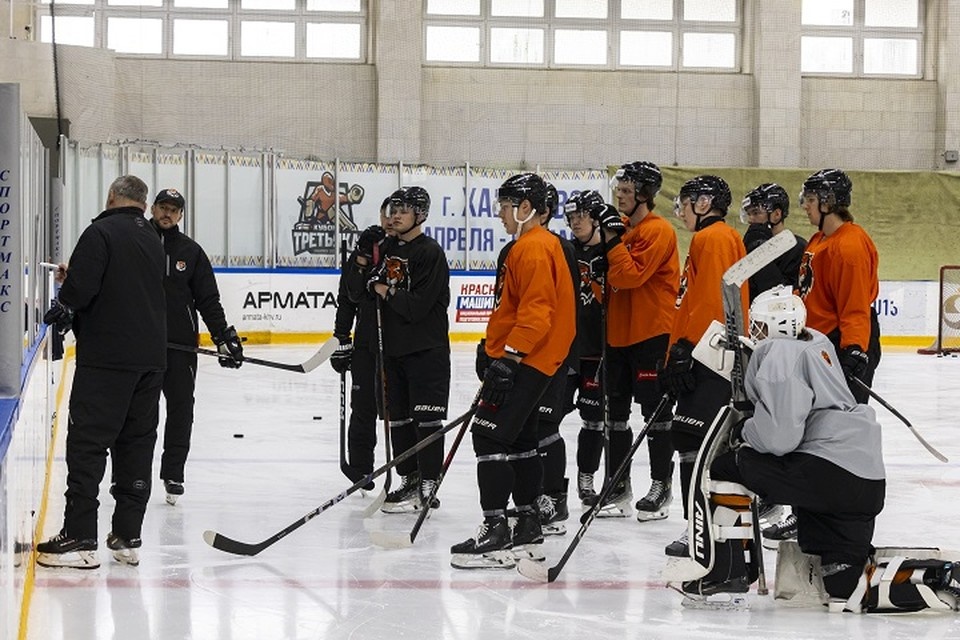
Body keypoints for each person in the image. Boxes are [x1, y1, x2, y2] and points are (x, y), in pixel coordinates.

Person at [685, 286, 888, 605]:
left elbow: (779, 439)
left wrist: (743, 430)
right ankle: (878, 583)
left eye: (759, 325)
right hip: (866, 480)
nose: (755, 332)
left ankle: (726, 569)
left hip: (828, 473)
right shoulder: (817, 341)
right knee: (844, 587)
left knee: (729, 465)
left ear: (776, 327)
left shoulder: (778, 354)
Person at [37, 175, 167, 569]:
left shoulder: (100, 232)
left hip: (108, 359)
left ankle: (79, 536)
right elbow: (121, 285)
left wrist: (66, 294)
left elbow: (81, 292)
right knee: (136, 444)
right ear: (144, 205)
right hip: (150, 361)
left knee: (88, 445)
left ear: (111, 196)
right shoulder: (153, 240)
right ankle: (127, 536)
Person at [451, 173, 575, 569]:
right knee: (521, 440)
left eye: (505, 206)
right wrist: (495, 349)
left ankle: (496, 532)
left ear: (525, 208)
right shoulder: (540, 245)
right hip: (536, 359)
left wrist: (510, 358)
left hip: (528, 360)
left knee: (488, 437)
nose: (500, 214)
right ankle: (527, 526)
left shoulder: (532, 249)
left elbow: (537, 311)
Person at [345, 186, 451, 512]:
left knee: (427, 421)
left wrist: (382, 289)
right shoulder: (386, 247)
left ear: (420, 214)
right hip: (391, 352)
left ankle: (430, 481)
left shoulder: (430, 253)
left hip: (426, 351)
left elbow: (417, 307)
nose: (395, 215)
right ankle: (410, 478)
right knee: (399, 421)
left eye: (403, 210)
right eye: (393, 209)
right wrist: (360, 260)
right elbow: (354, 292)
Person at [658, 175, 746, 557]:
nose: (683, 209)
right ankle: (706, 526)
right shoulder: (717, 237)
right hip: (713, 354)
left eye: (689, 201)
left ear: (705, 203)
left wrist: (687, 350)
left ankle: (701, 528)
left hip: (712, 358)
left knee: (696, 442)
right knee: (698, 443)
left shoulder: (712, 238)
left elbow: (712, 301)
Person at [590, 161, 680, 520]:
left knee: (655, 415)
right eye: (618, 190)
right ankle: (617, 484)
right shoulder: (622, 229)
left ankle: (661, 486)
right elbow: (607, 289)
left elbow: (628, 277)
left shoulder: (658, 231)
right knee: (615, 415)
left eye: (627, 191)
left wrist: (610, 243)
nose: (619, 196)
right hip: (617, 335)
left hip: (650, 335)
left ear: (645, 194)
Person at [149, 188, 244, 506]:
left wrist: (223, 337)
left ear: (180, 215)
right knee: (140, 414)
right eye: (163, 207)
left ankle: (173, 473)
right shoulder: (137, 242)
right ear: (152, 208)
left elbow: (208, 300)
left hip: (180, 348)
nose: (167, 213)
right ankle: (132, 475)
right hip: (141, 345)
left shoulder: (191, 251)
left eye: (173, 210)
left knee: (181, 410)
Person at [797, 169, 881, 405]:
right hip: (819, 342)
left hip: (842, 342)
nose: (805, 206)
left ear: (828, 202)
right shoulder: (819, 239)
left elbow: (854, 306)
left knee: (842, 423)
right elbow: (806, 289)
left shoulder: (849, 246)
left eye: (811, 200)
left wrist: (853, 349)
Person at [330, 197, 393, 490]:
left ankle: (414, 474)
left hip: (399, 347)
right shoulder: (365, 247)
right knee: (363, 406)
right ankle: (360, 467)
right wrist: (341, 338)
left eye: (399, 213)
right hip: (367, 344)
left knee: (401, 413)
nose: (392, 219)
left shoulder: (411, 251)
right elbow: (348, 297)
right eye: (388, 214)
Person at [562, 190, 607, 508]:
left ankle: (587, 478)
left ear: (595, 217)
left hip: (599, 352)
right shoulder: (564, 251)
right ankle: (548, 484)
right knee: (547, 417)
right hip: (566, 350)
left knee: (594, 420)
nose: (575, 222)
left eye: (581, 216)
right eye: (571, 217)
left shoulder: (612, 251)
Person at [739, 182, 807, 302]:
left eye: (756, 213)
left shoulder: (797, 248)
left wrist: (758, 251)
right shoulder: (748, 244)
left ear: (776, 214)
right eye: (748, 214)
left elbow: (783, 296)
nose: (750, 220)